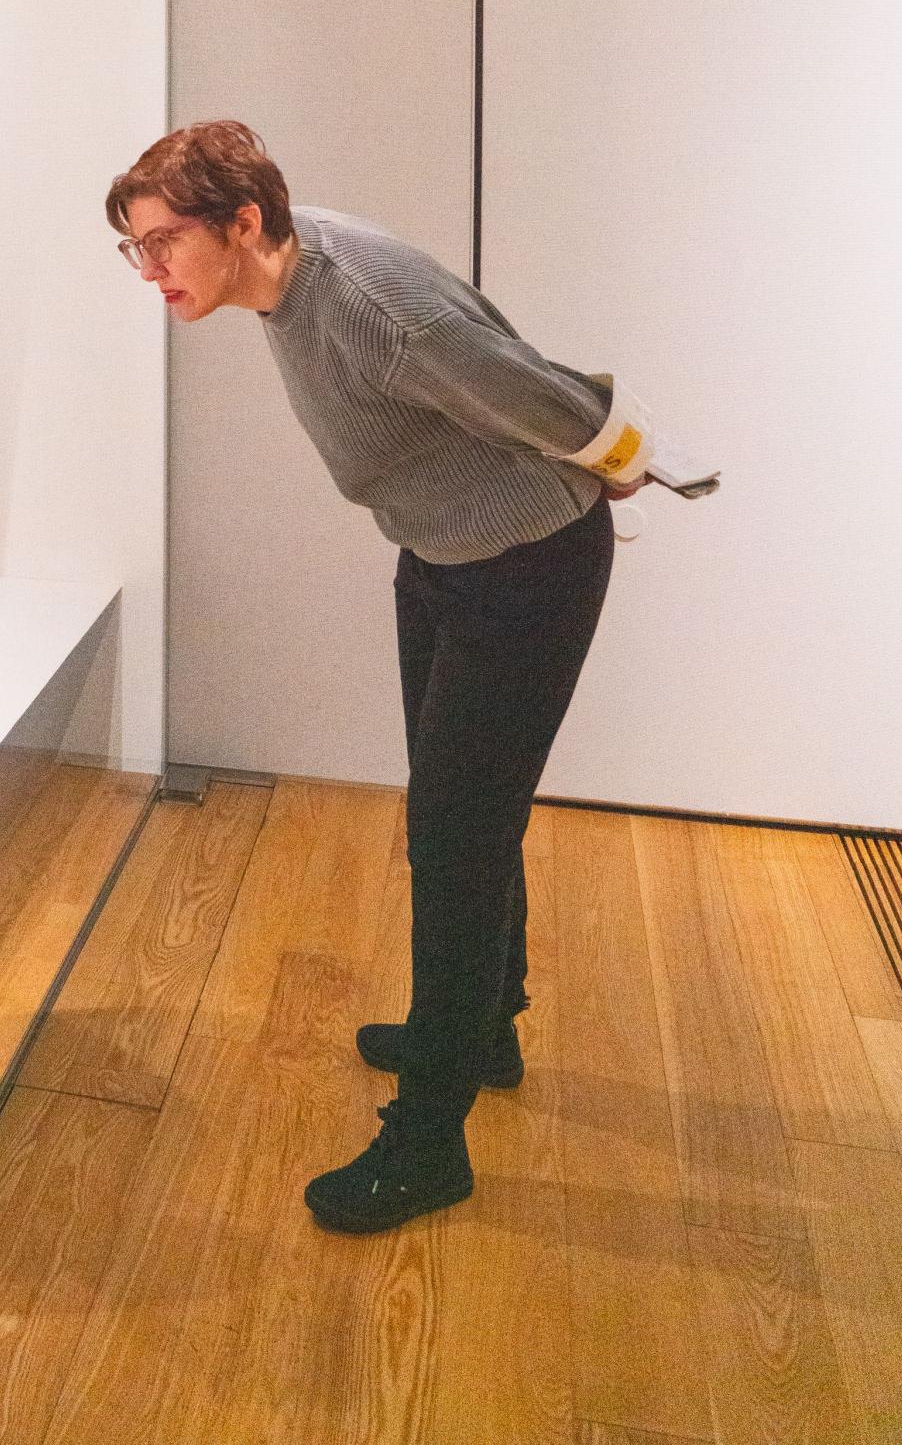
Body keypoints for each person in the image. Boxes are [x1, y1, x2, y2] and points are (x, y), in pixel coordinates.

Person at [106, 119, 652, 1236]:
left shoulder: (366, 304)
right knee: (461, 814)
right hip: (440, 553)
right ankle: (484, 1026)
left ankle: (429, 1140)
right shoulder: (286, 274)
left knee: (454, 836)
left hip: (526, 566)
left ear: (242, 222)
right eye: (136, 247)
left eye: (162, 242)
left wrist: (620, 457)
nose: (150, 269)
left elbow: (524, 380)